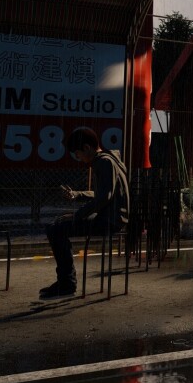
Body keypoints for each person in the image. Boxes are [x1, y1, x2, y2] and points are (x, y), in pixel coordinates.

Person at [40, 127, 130, 300]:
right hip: (112, 217)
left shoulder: (104, 162)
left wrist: (77, 216)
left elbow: (104, 197)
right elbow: (103, 194)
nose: (78, 158)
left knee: (56, 229)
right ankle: (66, 282)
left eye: (77, 154)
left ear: (87, 148)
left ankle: (67, 284)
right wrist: (78, 194)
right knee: (58, 226)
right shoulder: (109, 159)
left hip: (110, 220)